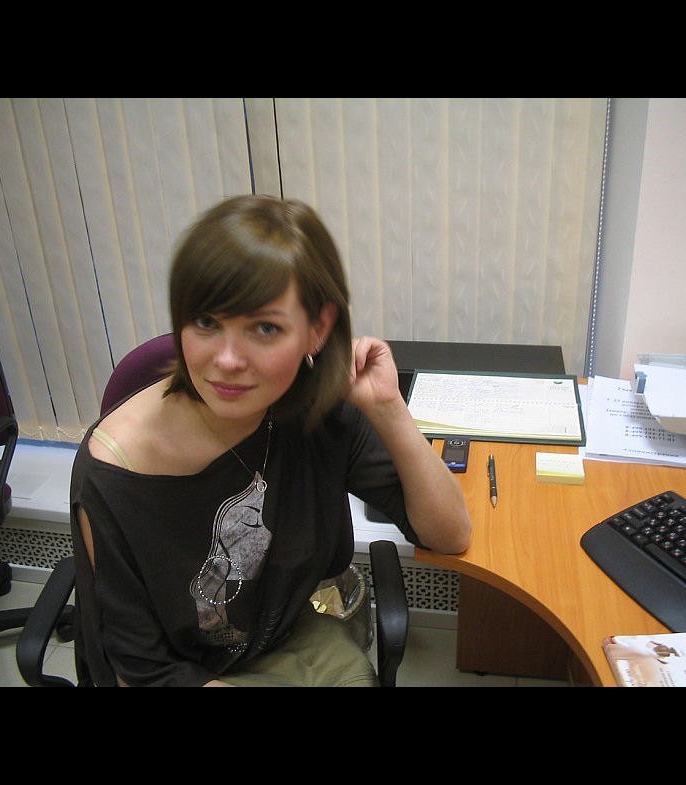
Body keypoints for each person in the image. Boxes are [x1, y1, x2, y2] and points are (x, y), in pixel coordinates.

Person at [70, 195, 471, 686]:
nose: (228, 360)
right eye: (206, 323)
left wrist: (388, 407)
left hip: (288, 635)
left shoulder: (318, 410)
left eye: (264, 328)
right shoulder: (116, 470)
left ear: (317, 329)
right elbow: (140, 673)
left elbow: (450, 534)